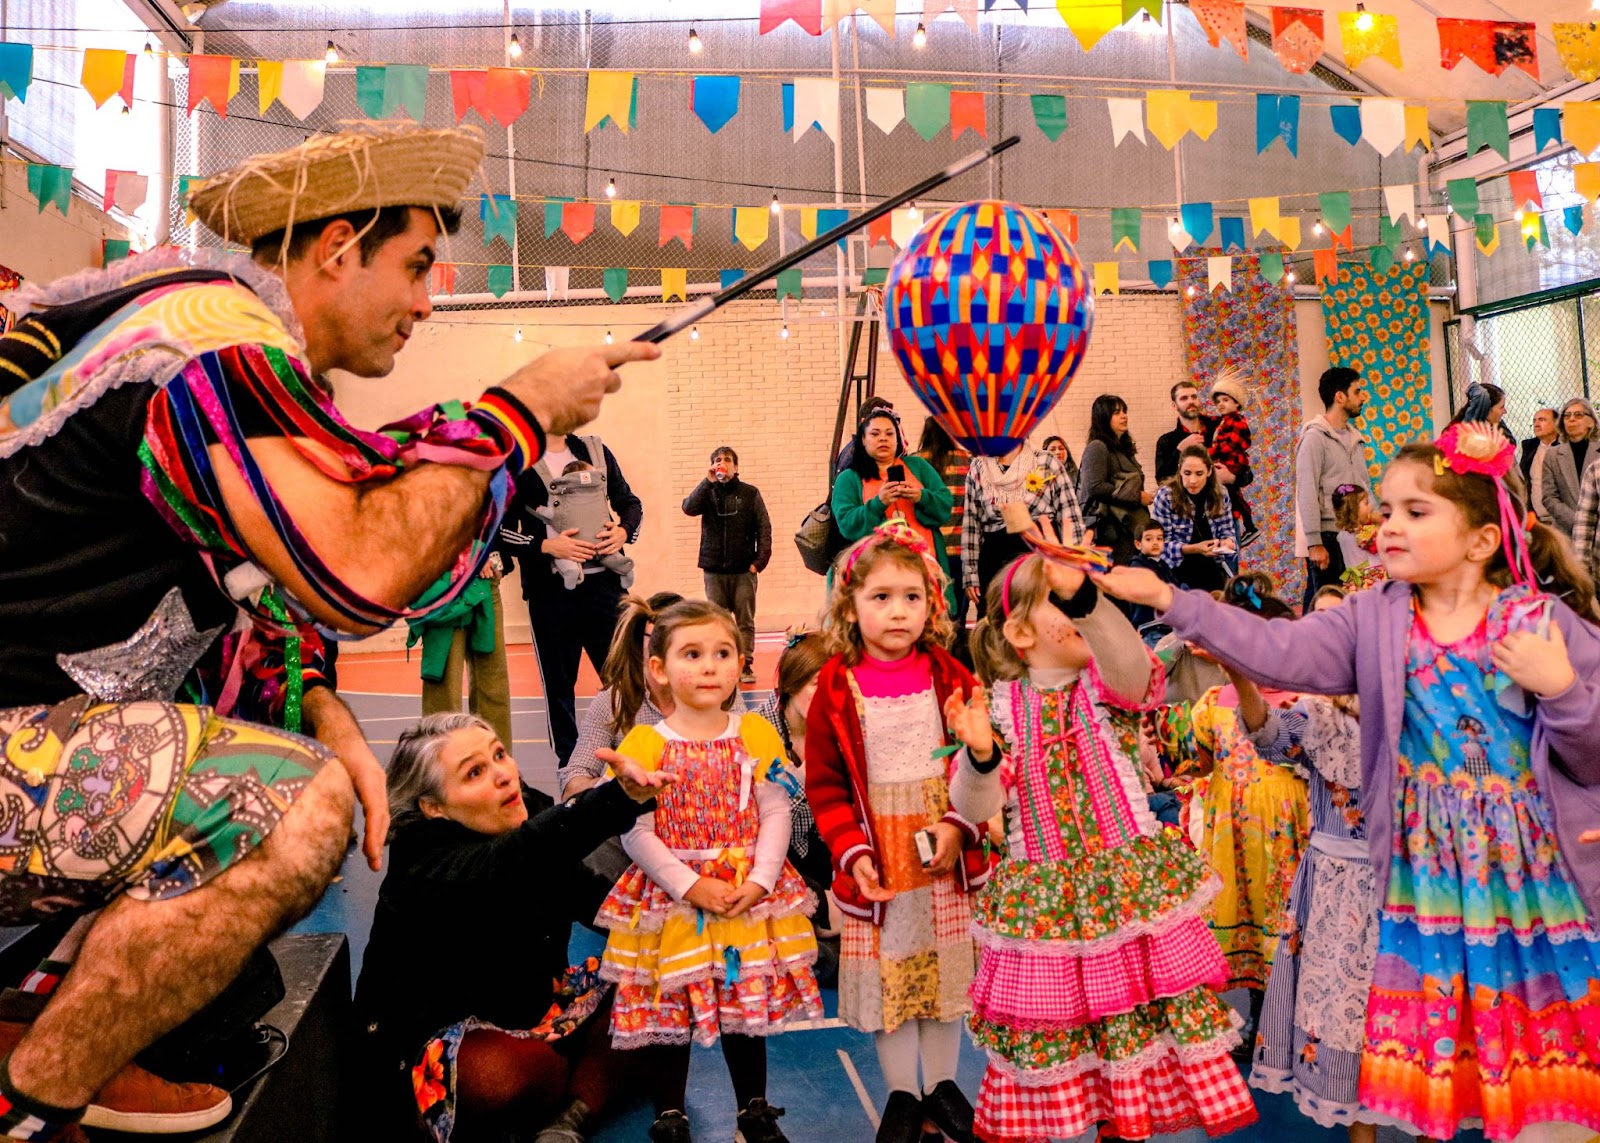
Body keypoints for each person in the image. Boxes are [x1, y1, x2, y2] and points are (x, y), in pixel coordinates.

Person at [0, 121, 657, 1141]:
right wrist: (518, 409)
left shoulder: (214, 347)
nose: (428, 300)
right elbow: (353, 570)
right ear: (339, 249)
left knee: (224, 981)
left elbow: (276, 588)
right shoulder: (216, 344)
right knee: (283, 810)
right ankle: (32, 1100)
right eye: (416, 265)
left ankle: (46, 1033)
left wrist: (326, 710)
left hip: (40, 744)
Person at [1098, 422, 1600, 1141]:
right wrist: (1177, 601)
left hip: (1527, 888)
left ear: (1483, 538)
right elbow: (1280, 648)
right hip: (1426, 892)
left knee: (1547, 1086)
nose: (1385, 523)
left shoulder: (1537, 622)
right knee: (1452, 1075)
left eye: (1414, 511)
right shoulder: (1374, 620)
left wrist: (1564, 691)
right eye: (1385, 508)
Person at [946, 553, 1256, 1142]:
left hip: (1126, 894)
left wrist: (1087, 599)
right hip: (1048, 902)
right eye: (1063, 604)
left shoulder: (1105, 686)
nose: (1084, 616)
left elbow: (1131, 663)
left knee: (1131, 1036)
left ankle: (1125, 1130)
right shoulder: (1001, 708)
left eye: (1084, 603)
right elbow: (976, 806)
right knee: (1068, 1039)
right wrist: (980, 754)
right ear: (1020, 633)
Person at [353, 713, 669, 1143]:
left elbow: (590, 895)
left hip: (539, 1009)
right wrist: (618, 796)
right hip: (442, 1041)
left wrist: (674, 924)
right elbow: (523, 856)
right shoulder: (424, 864)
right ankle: (580, 1079)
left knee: (662, 989)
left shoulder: (526, 809)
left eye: (500, 754)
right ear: (434, 807)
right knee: (501, 1074)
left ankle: (570, 1116)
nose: (503, 775)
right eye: (475, 772)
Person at [596, 598, 821, 1143]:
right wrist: (690, 885)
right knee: (670, 1007)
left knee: (744, 1005)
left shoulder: (755, 734)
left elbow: (774, 808)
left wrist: (760, 880)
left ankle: (755, 1111)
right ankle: (669, 1112)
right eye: (691, 654)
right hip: (675, 898)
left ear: (740, 661)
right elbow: (635, 829)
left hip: (746, 894)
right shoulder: (646, 743)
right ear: (659, 669)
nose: (708, 667)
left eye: (722, 653)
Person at [804, 523, 987, 1143]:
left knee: (945, 977)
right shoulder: (835, 683)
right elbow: (825, 786)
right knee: (894, 984)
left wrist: (961, 828)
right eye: (880, 596)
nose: (898, 610)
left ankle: (942, 1084)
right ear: (849, 606)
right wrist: (851, 852)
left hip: (944, 854)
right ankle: (903, 1096)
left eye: (912, 596)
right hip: (879, 860)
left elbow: (983, 763)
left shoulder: (950, 674)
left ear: (932, 604)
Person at [1147, 576, 1309, 1050]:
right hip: (1232, 835)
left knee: (1280, 923)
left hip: (1282, 833)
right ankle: (1255, 1017)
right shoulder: (1212, 705)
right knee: (1245, 919)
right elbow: (1204, 763)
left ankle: (1279, 1021)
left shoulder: (1301, 705)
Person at [1245, 591, 1382, 1142]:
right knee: (1341, 1020)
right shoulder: (1318, 712)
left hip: (1403, 886)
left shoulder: (1409, 703)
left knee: (1407, 1016)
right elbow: (1271, 738)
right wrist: (1241, 673)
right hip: (1333, 887)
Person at [500, 430, 643, 766]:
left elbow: (630, 503)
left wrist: (623, 531)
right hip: (551, 595)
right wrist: (546, 546)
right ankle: (571, 770)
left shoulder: (594, 449)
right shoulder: (517, 460)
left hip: (607, 590)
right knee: (559, 688)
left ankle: (632, 762)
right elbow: (500, 528)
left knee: (624, 680)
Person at [753, 630, 842, 985]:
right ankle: (817, 925)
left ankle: (818, 925)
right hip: (774, 859)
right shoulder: (757, 730)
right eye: (817, 685)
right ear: (790, 685)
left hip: (824, 851)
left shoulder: (839, 729)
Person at [831, 406, 956, 615]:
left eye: (890, 434)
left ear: (898, 440)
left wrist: (921, 497)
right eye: (875, 434)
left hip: (924, 569)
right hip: (875, 574)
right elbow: (847, 524)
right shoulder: (849, 478)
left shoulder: (918, 466)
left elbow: (944, 506)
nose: (883, 439)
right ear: (862, 440)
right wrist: (879, 503)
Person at [959, 438, 1083, 621]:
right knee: (997, 627)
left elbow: (1070, 516)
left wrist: (1076, 564)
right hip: (995, 559)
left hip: (1040, 556)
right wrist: (970, 573)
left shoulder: (1046, 462)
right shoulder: (979, 467)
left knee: (1046, 625)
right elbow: (972, 523)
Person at [682, 446, 773, 686]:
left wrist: (759, 563)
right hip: (713, 571)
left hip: (744, 570)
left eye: (727, 460)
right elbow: (688, 508)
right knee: (717, 623)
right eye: (717, 460)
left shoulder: (750, 493)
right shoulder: (707, 493)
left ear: (736, 467)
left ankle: (746, 665)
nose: (722, 464)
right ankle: (721, 664)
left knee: (745, 621)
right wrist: (707, 482)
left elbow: (764, 528)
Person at [408, 552, 515, 750]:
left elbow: (499, 525)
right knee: (444, 689)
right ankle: (441, 773)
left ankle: (500, 769)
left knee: (493, 687)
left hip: (486, 579)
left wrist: (500, 563)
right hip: (445, 580)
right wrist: (468, 553)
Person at [1295, 367, 1373, 606]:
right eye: (1357, 391)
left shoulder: (1355, 439)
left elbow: (1365, 486)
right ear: (1340, 397)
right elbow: (1306, 490)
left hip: (1355, 536)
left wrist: (1374, 525)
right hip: (1328, 538)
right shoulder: (1314, 439)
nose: (1362, 397)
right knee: (1329, 606)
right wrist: (1314, 543)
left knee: (1352, 603)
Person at [1149, 445, 1239, 592]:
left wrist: (1227, 543)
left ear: (1209, 471)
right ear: (1179, 470)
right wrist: (1194, 549)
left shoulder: (1221, 494)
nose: (1192, 480)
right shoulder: (1166, 495)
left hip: (1212, 569)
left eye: (1199, 473)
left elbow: (1228, 532)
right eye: (1187, 473)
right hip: (1176, 571)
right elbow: (1159, 543)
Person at [913, 419, 973, 642]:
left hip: (928, 549)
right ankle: (955, 655)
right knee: (957, 609)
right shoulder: (967, 460)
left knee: (929, 607)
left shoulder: (916, 463)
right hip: (960, 546)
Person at [536, 461, 636, 590]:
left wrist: (624, 531)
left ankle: (571, 572)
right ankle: (625, 568)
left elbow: (553, 515)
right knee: (612, 557)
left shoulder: (564, 499)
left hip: (576, 550)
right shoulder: (598, 495)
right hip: (601, 543)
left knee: (564, 560)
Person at [1078, 394, 1152, 566]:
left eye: (1124, 411)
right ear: (1103, 418)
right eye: (1116, 412)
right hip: (1110, 531)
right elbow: (1095, 487)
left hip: (1126, 528)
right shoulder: (1097, 447)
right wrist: (1137, 496)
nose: (1124, 416)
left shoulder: (1123, 449)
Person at [1208, 369, 1258, 542]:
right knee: (1232, 493)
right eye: (1218, 401)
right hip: (1227, 461)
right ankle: (1250, 525)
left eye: (1226, 400)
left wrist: (1208, 455)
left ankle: (1250, 525)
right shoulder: (1223, 421)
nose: (1220, 404)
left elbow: (1227, 446)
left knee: (1232, 492)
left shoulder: (1235, 421)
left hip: (1233, 462)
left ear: (1236, 403)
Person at [1542, 396, 1600, 537]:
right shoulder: (1552, 455)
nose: (1571, 419)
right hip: (1566, 531)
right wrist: (1578, 522)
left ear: (1591, 422)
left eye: (1578, 415)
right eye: (1567, 416)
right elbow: (1549, 497)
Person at [1155, 379, 1218, 483]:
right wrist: (1180, 450)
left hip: (1224, 496)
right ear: (1174, 406)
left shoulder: (1218, 427)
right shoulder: (1166, 441)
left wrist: (1233, 478)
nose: (1191, 401)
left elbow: (1245, 473)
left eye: (1194, 397)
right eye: (1184, 398)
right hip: (1186, 498)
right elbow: (1162, 480)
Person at [1126, 521, 1176, 637]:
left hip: (1166, 623)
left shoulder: (1163, 564)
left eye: (1159, 539)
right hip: (1150, 627)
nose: (1155, 543)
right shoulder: (1137, 566)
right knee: (1163, 654)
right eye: (1149, 539)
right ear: (1138, 544)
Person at [1332, 484, 1385, 592]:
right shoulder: (1363, 534)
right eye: (1366, 503)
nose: (1370, 507)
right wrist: (1382, 522)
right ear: (1353, 509)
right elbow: (1380, 544)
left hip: (1354, 582)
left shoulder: (1342, 534)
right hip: (1370, 580)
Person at [1522, 406, 1559, 524]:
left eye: (1542, 420)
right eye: (1534, 421)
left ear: (1557, 424)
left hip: (1560, 519)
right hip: (1536, 519)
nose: (1536, 424)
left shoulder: (1565, 448)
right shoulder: (1530, 447)